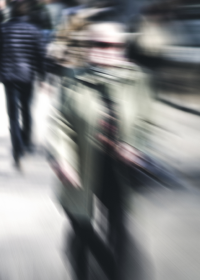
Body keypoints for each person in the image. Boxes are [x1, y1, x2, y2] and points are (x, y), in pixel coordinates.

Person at [49, 22, 154, 280]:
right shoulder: (73, 78)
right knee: (80, 222)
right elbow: (61, 123)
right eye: (101, 44)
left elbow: (144, 120)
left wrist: (136, 146)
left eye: (117, 45)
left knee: (118, 226)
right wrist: (63, 158)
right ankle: (95, 267)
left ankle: (117, 272)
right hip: (81, 162)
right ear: (88, 47)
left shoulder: (136, 79)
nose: (109, 50)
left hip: (118, 167)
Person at [0, 0, 45, 168]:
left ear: (12, 12)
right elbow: (40, 54)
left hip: (9, 76)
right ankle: (26, 142)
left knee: (13, 115)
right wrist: (42, 75)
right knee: (27, 110)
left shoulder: (3, 29)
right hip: (27, 76)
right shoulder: (34, 30)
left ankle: (17, 149)